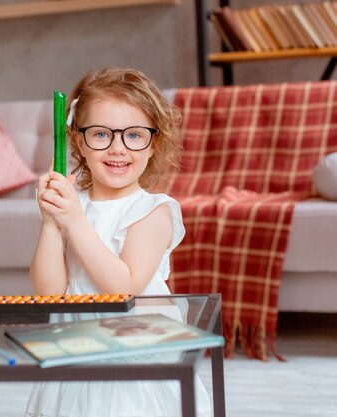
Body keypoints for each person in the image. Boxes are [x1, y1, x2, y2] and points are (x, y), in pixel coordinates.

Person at [26, 68, 212, 417]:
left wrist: (74, 222)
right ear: (79, 140)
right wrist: (52, 222)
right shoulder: (73, 205)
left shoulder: (152, 211)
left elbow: (123, 289)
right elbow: (47, 292)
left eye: (133, 135)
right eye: (100, 134)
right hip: (76, 350)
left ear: (153, 142)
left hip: (134, 355)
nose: (117, 148)